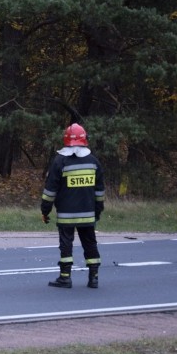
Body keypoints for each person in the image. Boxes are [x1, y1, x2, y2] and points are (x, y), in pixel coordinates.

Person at [41, 123, 105, 288]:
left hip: (66, 215)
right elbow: (99, 192)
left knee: (66, 244)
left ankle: (65, 277)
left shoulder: (60, 161)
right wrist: (97, 212)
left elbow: (50, 190)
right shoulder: (93, 162)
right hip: (88, 213)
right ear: (85, 140)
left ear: (66, 140)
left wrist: (45, 210)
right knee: (90, 243)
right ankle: (94, 278)